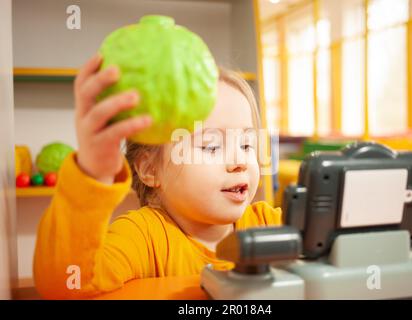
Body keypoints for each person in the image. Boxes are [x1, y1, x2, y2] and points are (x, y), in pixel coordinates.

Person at [33, 53, 281, 299]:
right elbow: (67, 284)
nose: (239, 162)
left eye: (247, 145)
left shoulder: (270, 225)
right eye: (211, 146)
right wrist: (90, 175)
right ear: (149, 169)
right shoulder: (142, 236)